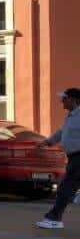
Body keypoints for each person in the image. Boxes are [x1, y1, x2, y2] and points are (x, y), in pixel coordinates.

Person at [36, 88, 80, 230]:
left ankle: (54, 218)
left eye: (65, 98)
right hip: (74, 158)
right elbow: (61, 132)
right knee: (67, 188)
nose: (62, 101)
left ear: (74, 100)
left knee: (64, 188)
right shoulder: (71, 116)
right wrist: (46, 142)